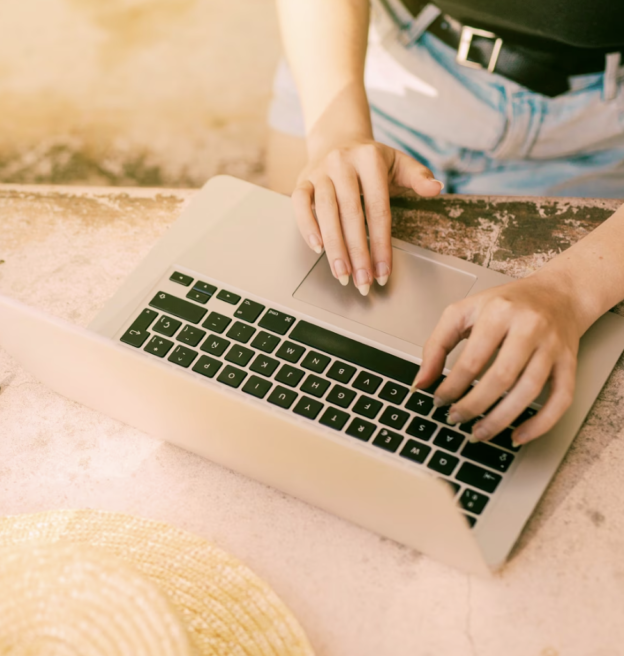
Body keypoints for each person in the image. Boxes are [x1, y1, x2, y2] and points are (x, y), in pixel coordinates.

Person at [267, 0, 624, 447]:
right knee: (289, 307)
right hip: (375, 69)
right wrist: (338, 134)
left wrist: (569, 291)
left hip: (601, 131)